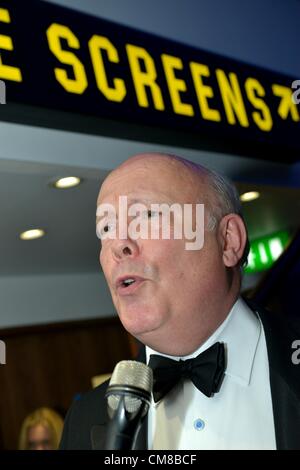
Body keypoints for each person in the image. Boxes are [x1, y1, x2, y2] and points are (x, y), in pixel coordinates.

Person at [60, 153, 300, 450]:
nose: (118, 245)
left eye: (146, 217)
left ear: (228, 241)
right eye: (106, 229)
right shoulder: (84, 421)